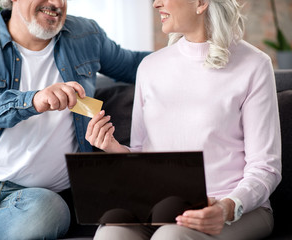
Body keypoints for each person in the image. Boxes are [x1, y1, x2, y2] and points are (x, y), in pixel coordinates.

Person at [0, 0, 149, 239]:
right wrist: (32, 101)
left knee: (47, 214)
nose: (56, 3)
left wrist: (192, 43)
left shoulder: (87, 36)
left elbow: (139, 66)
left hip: (40, 195)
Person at [86, 0, 282, 239]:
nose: (156, 4)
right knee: (109, 235)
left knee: (170, 236)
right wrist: (114, 149)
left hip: (233, 209)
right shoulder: (150, 67)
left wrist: (227, 208)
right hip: (158, 206)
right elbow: (140, 154)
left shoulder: (254, 65)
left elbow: (265, 168)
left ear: (200, 3)